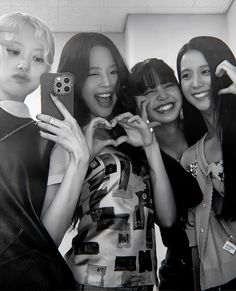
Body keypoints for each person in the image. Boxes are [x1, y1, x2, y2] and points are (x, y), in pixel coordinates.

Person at [42, 32, 177, 290]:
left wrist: (151, 147)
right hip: (89, 283)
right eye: (94, 74)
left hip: (145, 284)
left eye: (113, 72)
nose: (107, 83)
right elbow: (47, 238)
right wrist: (81, 158)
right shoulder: (68, 141)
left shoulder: (129, 133)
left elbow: (168, 219)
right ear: (77, 79)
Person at [0, 12, 84, 290]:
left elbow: (48, 237)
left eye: (38, 59)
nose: (24, 64)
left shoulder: (50, 139)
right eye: (13, 51)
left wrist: (78, 162)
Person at [130, 58, 203, 290]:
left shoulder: (204, 131)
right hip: (181, 272)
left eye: (168, 85)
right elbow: (168, 221)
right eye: (150, 91)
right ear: (137, 102)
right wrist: (150, 147)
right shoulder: (139, 157)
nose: (162, 96)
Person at [177, 36, 236, 291]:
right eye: (186, 75)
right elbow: (194, 233)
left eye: (205, 72)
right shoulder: (190, 157)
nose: (196, 83)